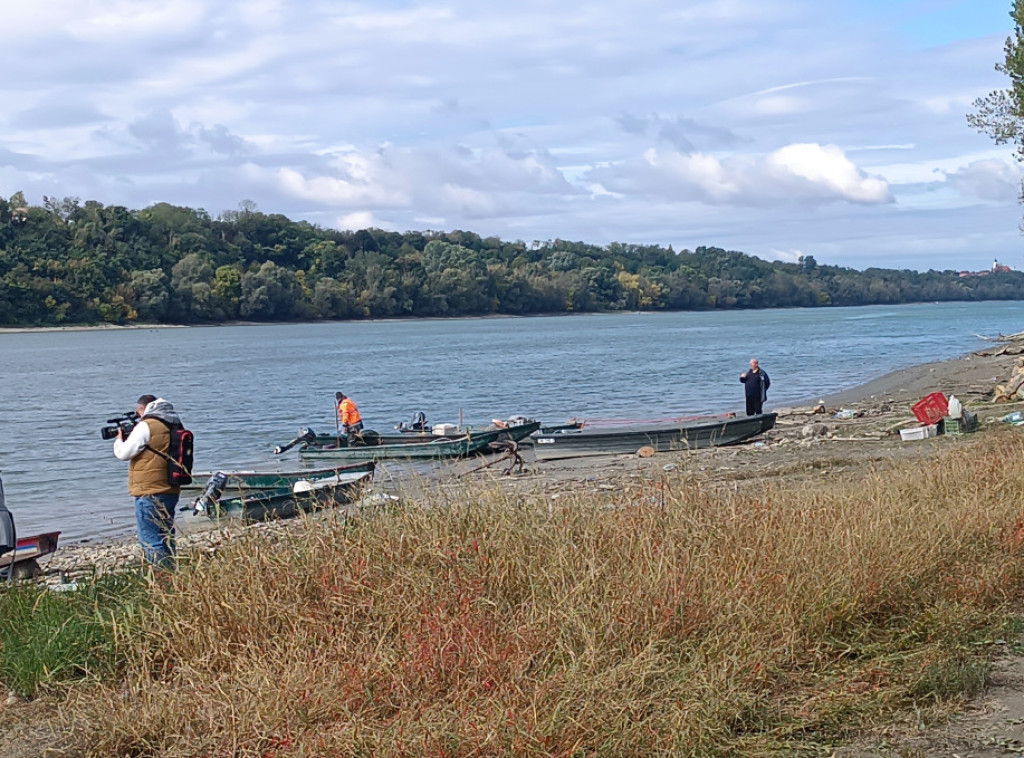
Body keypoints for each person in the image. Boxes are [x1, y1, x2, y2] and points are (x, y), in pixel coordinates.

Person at [112, 395, 182, 570]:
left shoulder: (147, 425)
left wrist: (119, 440)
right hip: (170, 488)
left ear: (143, 408)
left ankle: (161, 579)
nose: (138, 417)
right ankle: (171, 573)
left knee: (151, 538)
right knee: (166, 535)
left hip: (149, 490)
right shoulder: (174, 422)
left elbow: (123, 453)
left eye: (138, 413)